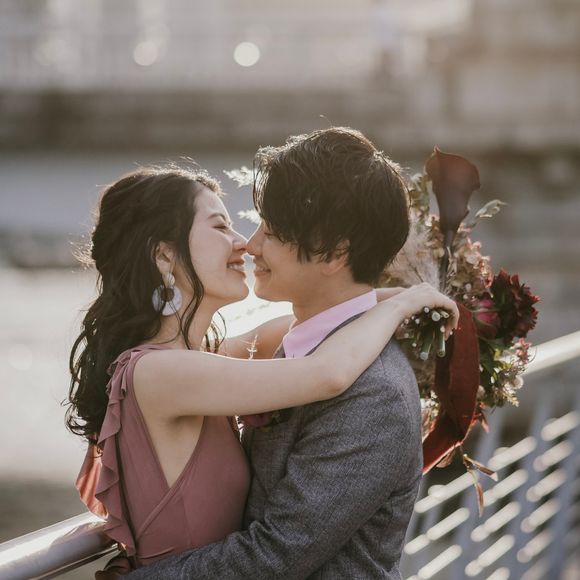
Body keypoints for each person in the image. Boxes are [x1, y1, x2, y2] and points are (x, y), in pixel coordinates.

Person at [67, 154, 458, 576]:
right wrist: (401, 304)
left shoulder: (207, 361)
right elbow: (326, 372)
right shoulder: (160, 374)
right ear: (164, 256)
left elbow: (310, 325)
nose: (244, 243)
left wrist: (390, 300)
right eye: (220, 227)